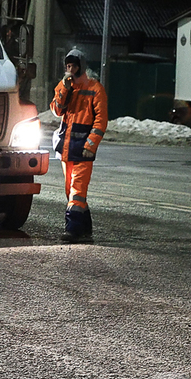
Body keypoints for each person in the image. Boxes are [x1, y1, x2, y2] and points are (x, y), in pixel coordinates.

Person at [50, 48, 108, 243]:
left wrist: (90, 145)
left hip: (83, 150)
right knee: (71, 191)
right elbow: (56, 110)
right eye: (67, 65)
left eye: (73, 65)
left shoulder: (95, 89)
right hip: (67, 150)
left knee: (77, 190)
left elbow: (100, 122)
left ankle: (73, 229)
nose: (70, 69)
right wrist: (65, 88)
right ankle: (85, 227)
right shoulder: (66, 87)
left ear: (81, 67)